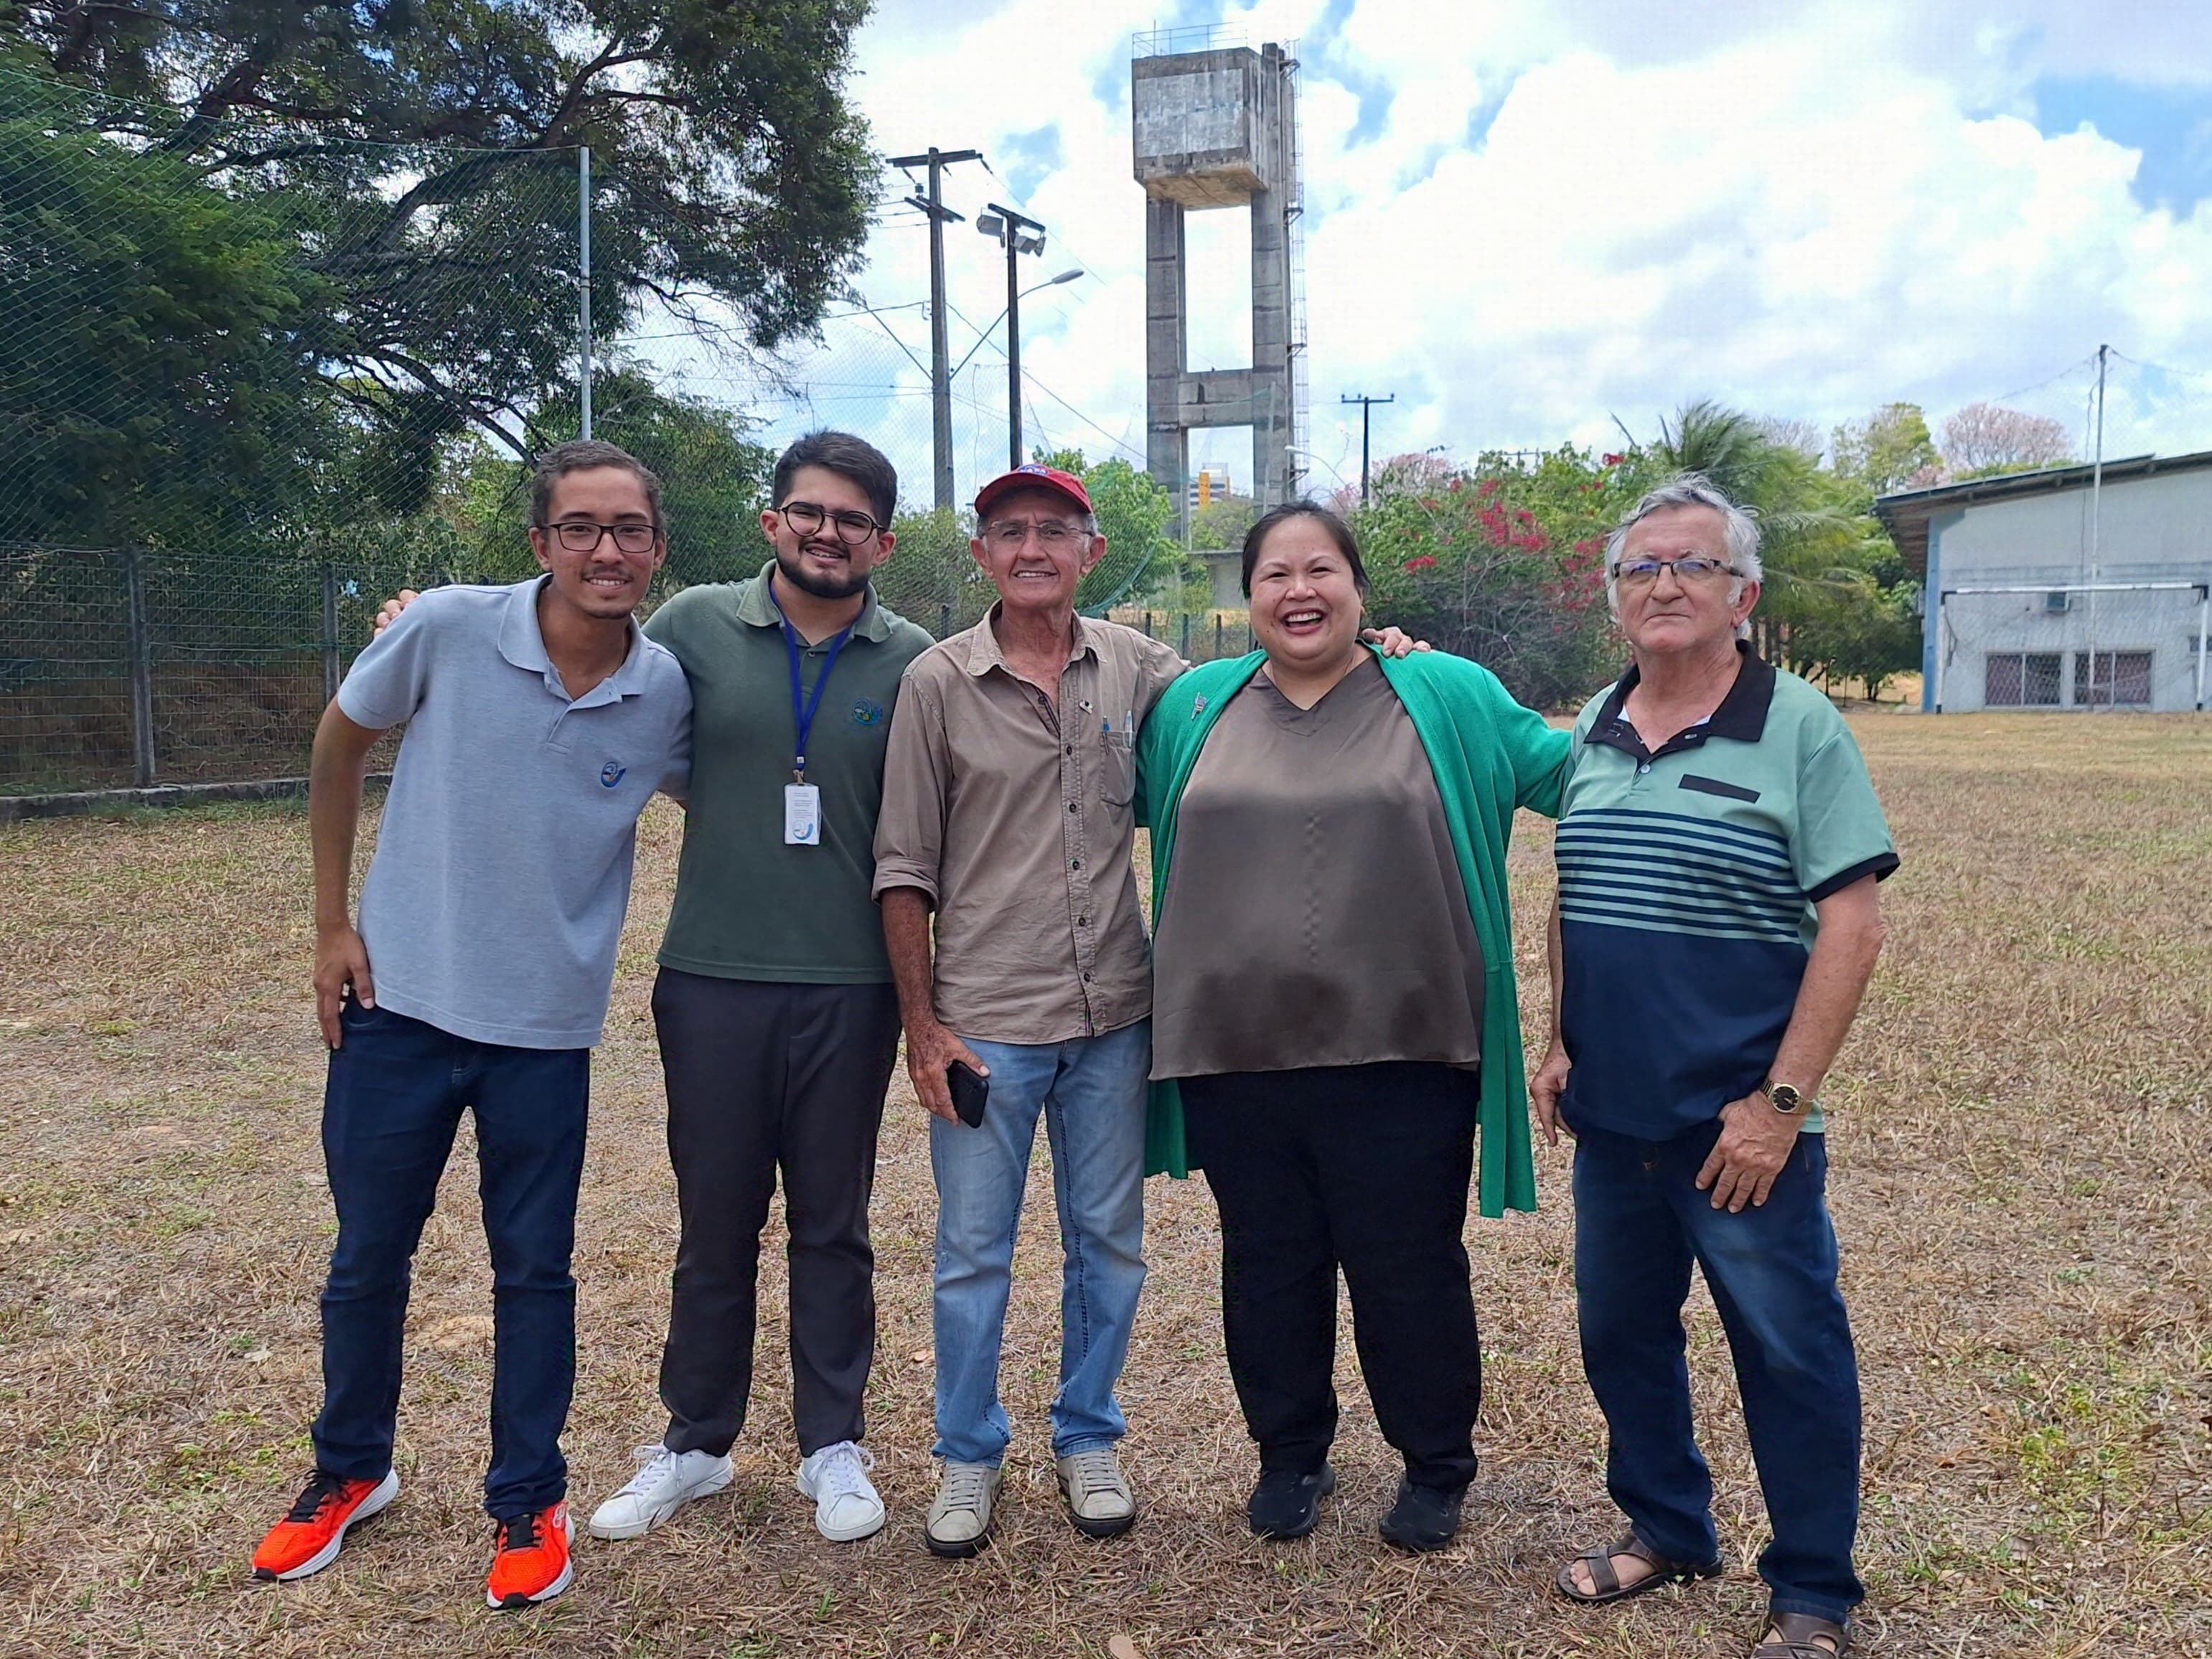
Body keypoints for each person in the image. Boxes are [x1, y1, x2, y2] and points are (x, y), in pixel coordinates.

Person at [374, 431, 936, 1548]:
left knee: (834, 1224)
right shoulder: (689, 628)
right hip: (711, 978)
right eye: (807, 511)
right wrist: (420, 621)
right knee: (712, 1221)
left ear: (881, 539)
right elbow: (564, 640)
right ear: (772, 520)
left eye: (853, 519)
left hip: (852, 985)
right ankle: (695, 1443)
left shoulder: (914, 658)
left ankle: (833, 1441)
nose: (828, 533)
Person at [252, 440, 692, 1609]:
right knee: (365, 1264)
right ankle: (349, 1474)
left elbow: (753, 788)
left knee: (532, 1274)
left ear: (658, 547)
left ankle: (527, 1500)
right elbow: (339, 745)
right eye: (581, 527)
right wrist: (331, 927)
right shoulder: (445, 626)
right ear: (539, 541)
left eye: (630, 529)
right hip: (397, 1008)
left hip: (545, 1030)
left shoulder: (667, 691)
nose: (608, 550)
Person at [1137, 502, 1571, 1553]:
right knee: (1267, 1262)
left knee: (1405, 1263)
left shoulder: (1444, 692)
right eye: (1275, 574)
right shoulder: (1192, 705)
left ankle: (1434, 1467)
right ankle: (1290, 1456)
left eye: (1321, 569)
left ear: (1359, 589)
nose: (1299, 591)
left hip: (1408, 1049)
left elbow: (1582, 779)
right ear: (1246, 598)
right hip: (1235, 1052)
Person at [1531, 477, 1895, 1659]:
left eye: (1690, 565)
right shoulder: (1596, 717)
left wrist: (1777, 1108)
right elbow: (1574, 889)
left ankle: (1810, 1592)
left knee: (1786, 1350)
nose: (1664, 586)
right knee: (1618, 1336)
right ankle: (1666, 1526)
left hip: (1739, 1130)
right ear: (1614, 600)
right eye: (1641, 569)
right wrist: (1558, 1038)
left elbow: (1851, 924)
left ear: (1741, 593)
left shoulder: (1796, 725)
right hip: (1614, 1121)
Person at [872, 463, 1185, 1556]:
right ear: (981, 555)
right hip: (986, 1024)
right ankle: (966, 1453)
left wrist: (1385, 662)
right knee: (971, 1251)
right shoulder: (937, 682)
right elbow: (903, 865)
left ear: (1089, 551)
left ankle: (1087, 1433)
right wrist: (924, 1027)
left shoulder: (1144, 669)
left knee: (1108, 1242)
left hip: (1114, 1017)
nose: (1033, 547)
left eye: (1054, 529)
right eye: (1010, 532)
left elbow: (1260, 714)